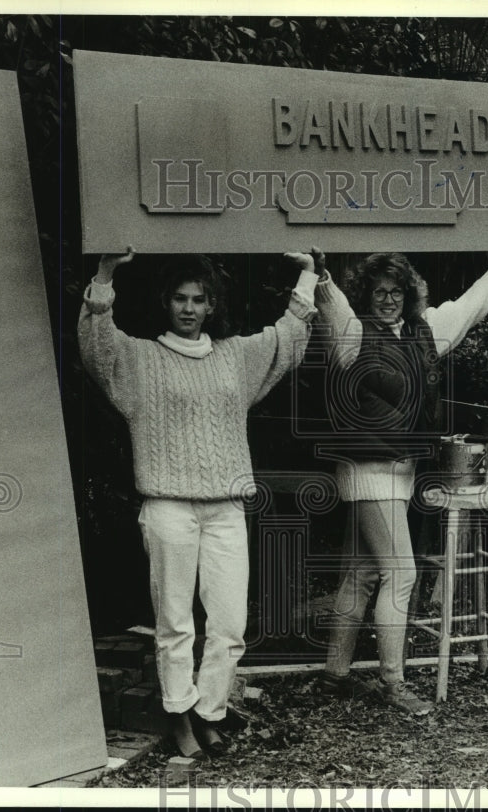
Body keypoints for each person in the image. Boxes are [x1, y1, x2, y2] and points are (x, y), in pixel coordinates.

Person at [78, 248, 318, 756]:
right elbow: (97, 346)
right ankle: (178, 718)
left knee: (229, 625)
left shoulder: (235, 355)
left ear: (211, 306)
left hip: (227, 506)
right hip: (168, 507)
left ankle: (210, 711)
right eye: (180, 299)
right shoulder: (140, 358)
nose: (189, 308)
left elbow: (289, 338)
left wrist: (308, 273)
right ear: (166, 303)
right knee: (175, 623)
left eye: (199, 299)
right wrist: (104, 275)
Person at [308, 244, 488, 713]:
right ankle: (393, 683)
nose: (387, 299)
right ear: (365, 295)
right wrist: (322, 274)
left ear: (409, 295)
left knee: (360, 574)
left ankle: (334, 678)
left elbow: (470, 307)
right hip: (370, 470)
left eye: (396, 292)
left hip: (396, 470)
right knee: (401, 573)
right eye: (378, 291)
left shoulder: (425, 331)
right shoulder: (353, 334)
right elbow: (333, 309)